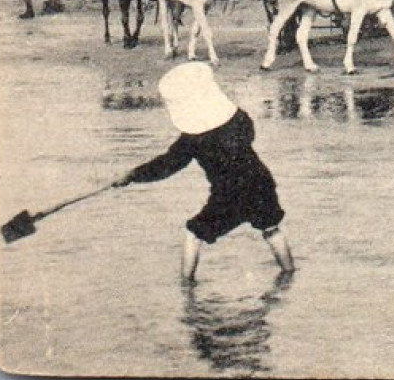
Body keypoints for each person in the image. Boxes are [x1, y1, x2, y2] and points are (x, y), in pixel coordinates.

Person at [115, 62, 294, 282]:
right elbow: (249, 136)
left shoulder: (192, 140)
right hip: (261, 181)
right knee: (271, 228)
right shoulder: (239, 119)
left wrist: (132, 175)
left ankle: (186, 288)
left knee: (194, 233)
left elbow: (167, 165)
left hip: (229, 194)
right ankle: (288, 275)